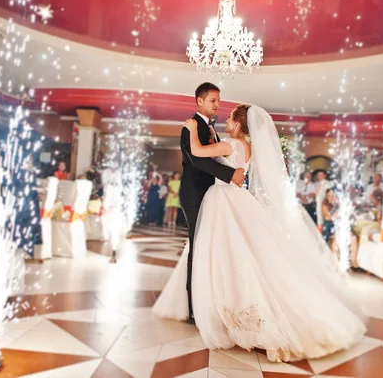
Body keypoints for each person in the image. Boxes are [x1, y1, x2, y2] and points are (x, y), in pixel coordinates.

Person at [153, 105, 367, 362]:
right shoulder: (247, 147)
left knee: (220, 254)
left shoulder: (230, 145)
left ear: (238, 125)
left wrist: (190, 130)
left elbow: (198, 151)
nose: (227, 120)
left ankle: (222, 311)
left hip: (221, 199)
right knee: (246, 252)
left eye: (231, 118)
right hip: (239, 198)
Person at [177, 82, 245, 324]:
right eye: (213, 100)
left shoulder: (212, 130)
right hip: (194, 195)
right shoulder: (190, 127)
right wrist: (230, 174)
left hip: (212, 195)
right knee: (198, 246)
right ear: (199, 101)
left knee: (210, 247)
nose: (218, 104)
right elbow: (196, 161)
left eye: (218, 100)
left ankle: (212, 301)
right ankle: (194, 308)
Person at [321, 188, 339, 253]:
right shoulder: (324, 204)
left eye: (332, 195)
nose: (331, 197)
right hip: (329, 224)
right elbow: (327, 217)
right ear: (326, 197)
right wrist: (337, 215)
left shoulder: (338, 203)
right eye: (329, 196)